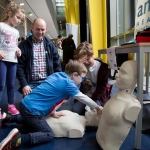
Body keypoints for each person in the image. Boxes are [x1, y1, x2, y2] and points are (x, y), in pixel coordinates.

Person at [0, 60, 103, 150]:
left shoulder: (58, 75)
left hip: (25, 104)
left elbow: (50, 96)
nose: (82, 81)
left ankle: (7, 118)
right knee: (48, 134)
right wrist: (96, 106)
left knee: (32, 119)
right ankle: (18, 139)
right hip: (31, 110)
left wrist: (53, 113)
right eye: (82, 78)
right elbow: (82, 97)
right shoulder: (69, 84)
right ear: (75, 74)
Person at [96, 60, 141, 150]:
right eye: (119, 71)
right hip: (98, 140)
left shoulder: (133, 106)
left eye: (123, 72)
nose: (117, 75)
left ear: (135, 79)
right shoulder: (116, 95)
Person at [17, 18, 62, 97]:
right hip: (30, 84)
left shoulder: (50, 45)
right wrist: (24, 84)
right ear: (32, 28)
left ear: (46, 29)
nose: (40, 32)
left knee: (49, 105)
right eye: (38, 29)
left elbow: (57, 65)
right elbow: (19, 67)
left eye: (42, 30)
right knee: (28, 107)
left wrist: (56, 82)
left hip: (48, 82)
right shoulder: (23, 45)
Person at [72, 42, 110, 115]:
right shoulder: (82, 67)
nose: (86, 62)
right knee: (75, 110)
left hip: (97, 96)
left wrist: (91, 102)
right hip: (85, 96)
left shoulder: (102, 68)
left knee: (92, 113)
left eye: (88, 59)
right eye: (83, 60)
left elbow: (102, 88)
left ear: (92, 54)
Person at [0, 2, 25, 115]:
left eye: (21, 19)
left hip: (13, 60)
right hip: (2, 60)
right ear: (10, 14)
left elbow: (15, 45)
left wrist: (18, 50)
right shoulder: (1, 25)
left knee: (11, 84)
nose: (19, 21)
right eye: (17, 17)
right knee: (1, 85)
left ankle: (11, 105)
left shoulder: (16, 31)